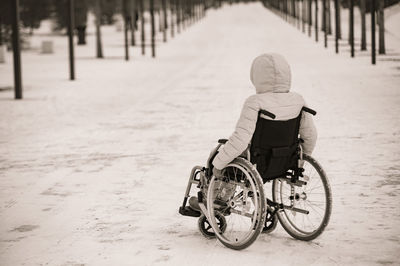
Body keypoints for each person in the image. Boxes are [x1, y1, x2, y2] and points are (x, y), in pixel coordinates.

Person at [189, 53, 317, 211]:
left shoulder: (255, 102)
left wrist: (218, 164)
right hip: (283, 161)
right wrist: (299, 160)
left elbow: (241, 139)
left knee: (218, 156)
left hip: (256, 162)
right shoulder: (298, 100)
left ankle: (217, 199)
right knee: (232, 155)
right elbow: (310, 136)